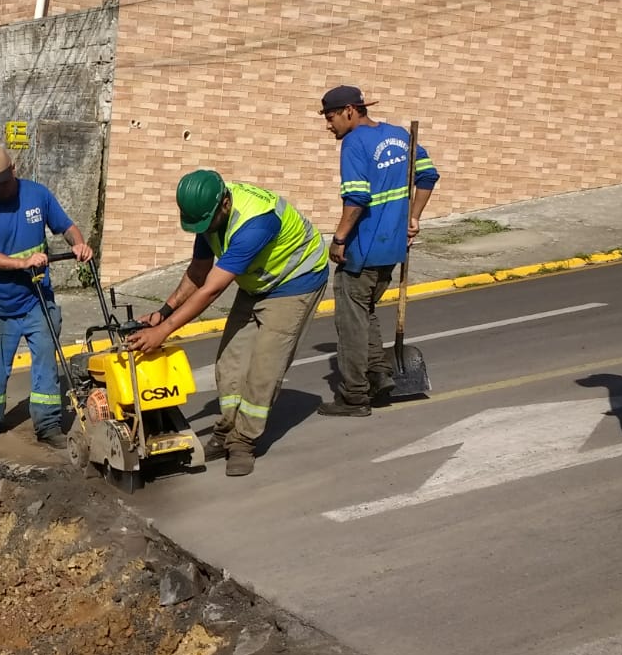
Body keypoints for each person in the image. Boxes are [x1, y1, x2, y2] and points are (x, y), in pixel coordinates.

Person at [127, 169, 329, 477]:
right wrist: (163, 313)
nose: (203, 229)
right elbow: (198, 271)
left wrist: (163, 332)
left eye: (206, 223)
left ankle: (243, 442)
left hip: (295, 282)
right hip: (256, 282)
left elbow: (211, 289)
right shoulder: (208, 214)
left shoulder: (255, 224)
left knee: (264, 368)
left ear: (224, 203)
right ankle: (226, 430)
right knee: (230, 362)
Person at [316, 84, 440, 416]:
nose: (329, 126)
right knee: (366, 310)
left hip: (363, 247)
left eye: (330, 118)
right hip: (394, 247)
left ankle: (354, 396)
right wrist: (413, 216)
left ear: (349, 111)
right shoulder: (400, 136)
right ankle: (379, 373)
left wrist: (340, 238)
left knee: (350, 321)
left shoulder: (355, 143)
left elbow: (356, 198)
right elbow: (427, 176)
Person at [0, 145, 93, 449]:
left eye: (3, 182)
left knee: (45, 364)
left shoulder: (38, 195)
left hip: (37, 298)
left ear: (14, 169)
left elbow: (66, 227)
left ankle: (48, 425)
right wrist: (21, 263)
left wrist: (78, 244)